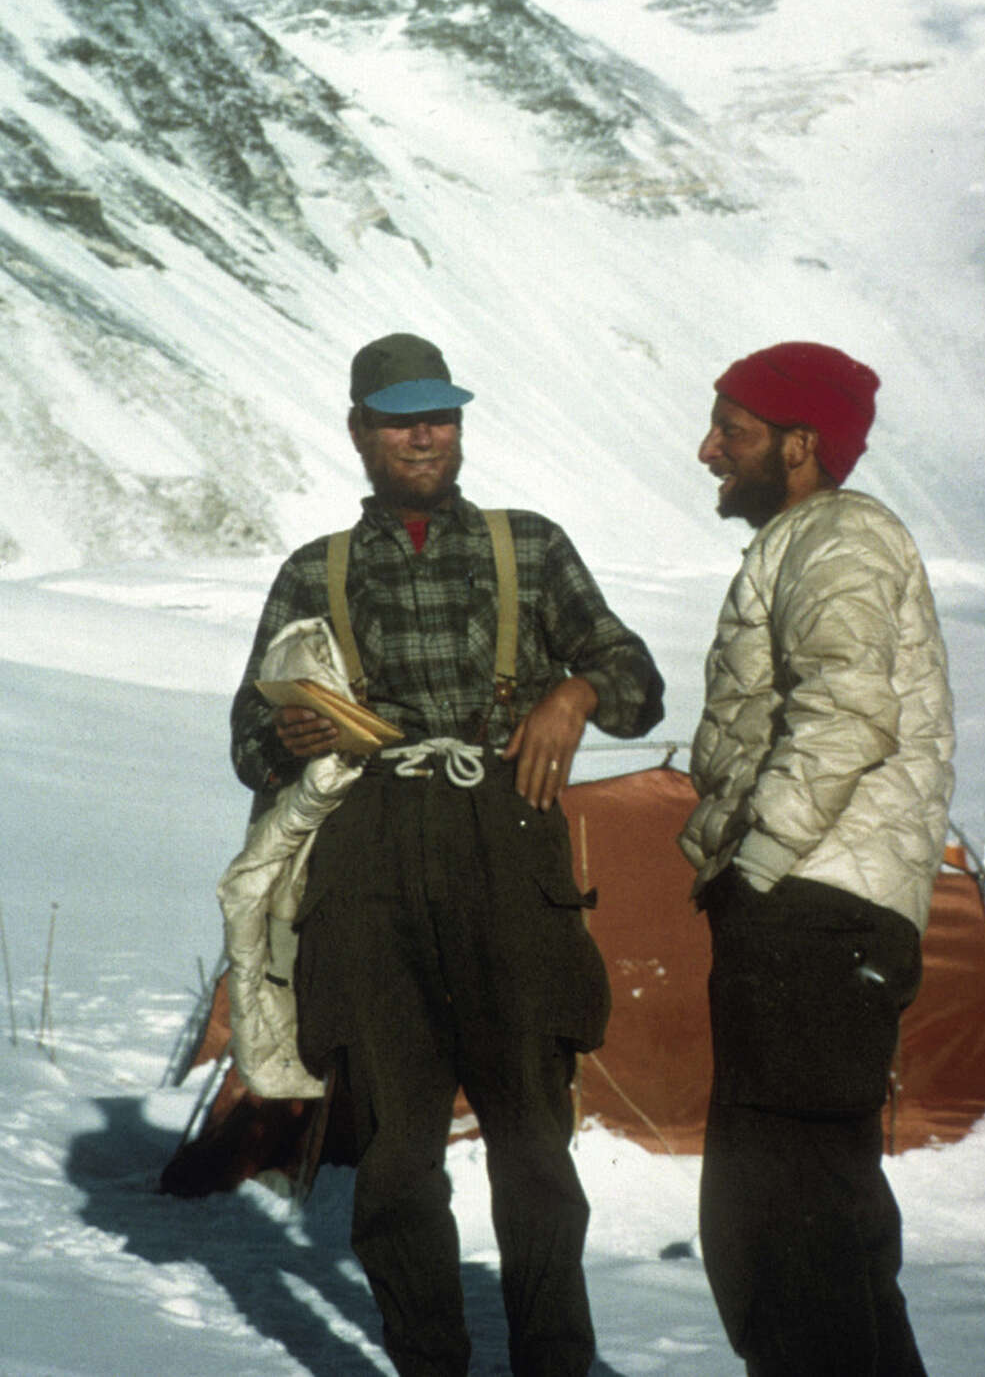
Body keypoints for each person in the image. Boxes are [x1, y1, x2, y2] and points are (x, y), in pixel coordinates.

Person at [231, 332, 665, 1377]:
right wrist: (289, 738)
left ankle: (554, 1363)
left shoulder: (531, 547)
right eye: (399, 418)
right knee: (392, 1154)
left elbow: (638, 681)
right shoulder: (314, 570)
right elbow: (248, 746)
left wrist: (574, 693)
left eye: (441, 414)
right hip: (367, 857)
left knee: (533, 1142)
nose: (424, 433)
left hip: (505, 836)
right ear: (359, 432)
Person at [680, 340, 955, 1377]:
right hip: (830, 914)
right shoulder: (812, 540)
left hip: (810, 913)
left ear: (801, 444)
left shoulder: (838, 538)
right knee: (824, 1234)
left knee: (774, 1235)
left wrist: (756, 872)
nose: (709, 450)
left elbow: (847, 707)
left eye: (733, 430)